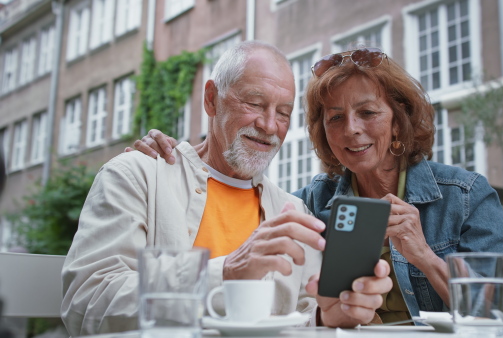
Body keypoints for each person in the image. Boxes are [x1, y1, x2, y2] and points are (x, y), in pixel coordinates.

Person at [134, 46, 503, 326]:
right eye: (334, 118)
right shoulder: (311, 203)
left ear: (398, 120)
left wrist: (423, 254)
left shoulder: (465, 195)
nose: (350, 129)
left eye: (367, 113)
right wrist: (178, 154)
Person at [62, 41, 392, 336]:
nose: (268, 125)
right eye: (254, 103)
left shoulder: (292, 211)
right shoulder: (137, 176)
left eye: (283, 113)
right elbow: (87, 302)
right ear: (211, 99)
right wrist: (227, 273)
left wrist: (323, 318)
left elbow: (299, 318)